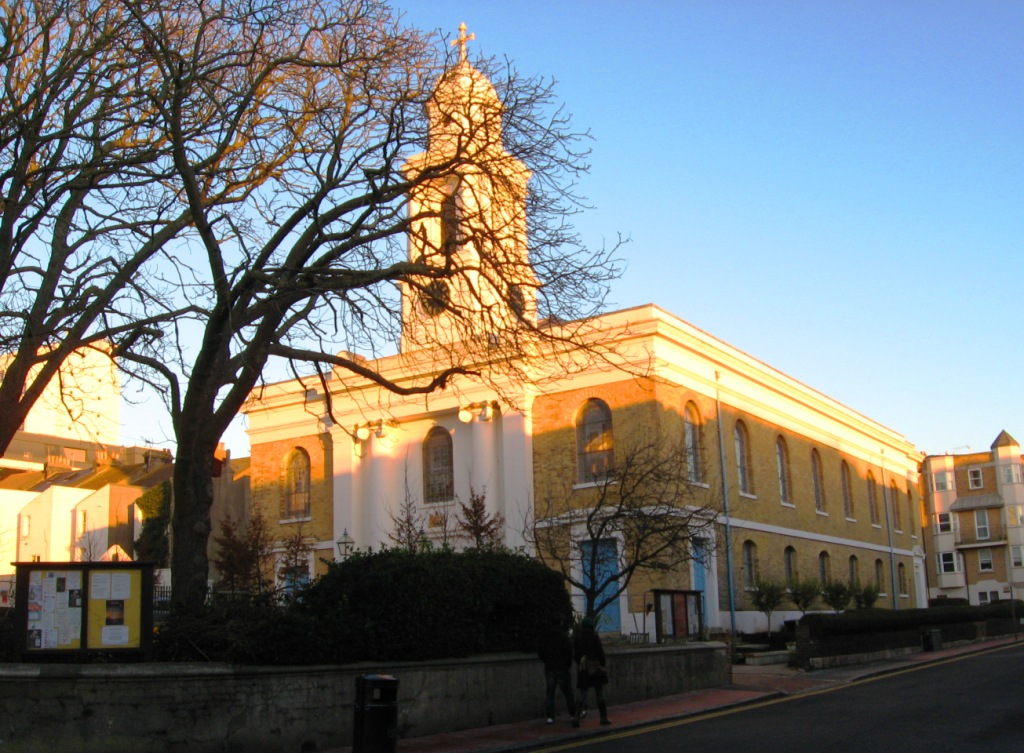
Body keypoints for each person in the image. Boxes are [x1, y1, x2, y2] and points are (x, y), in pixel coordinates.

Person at [537, 615, 577, 726]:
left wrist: (546, 661)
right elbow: (568, 653)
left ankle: (550, 717)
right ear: (560, 622)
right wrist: (567, 665)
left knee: (550, 693)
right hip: (562, 668)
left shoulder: (545, 636)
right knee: (568, 693)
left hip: (549, 668)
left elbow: (540, 651)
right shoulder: (563, 636)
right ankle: (573, 714)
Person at [573, 615, 611, 726]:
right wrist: (602, 663)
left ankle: (576, 717)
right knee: (599, 692)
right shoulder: (594, 637)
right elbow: (600, 653)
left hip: (583, 668)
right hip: (595, 667)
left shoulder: (577, 638)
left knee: (582, 693)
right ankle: (603, 717)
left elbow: (575, 655)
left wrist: (581, 662)